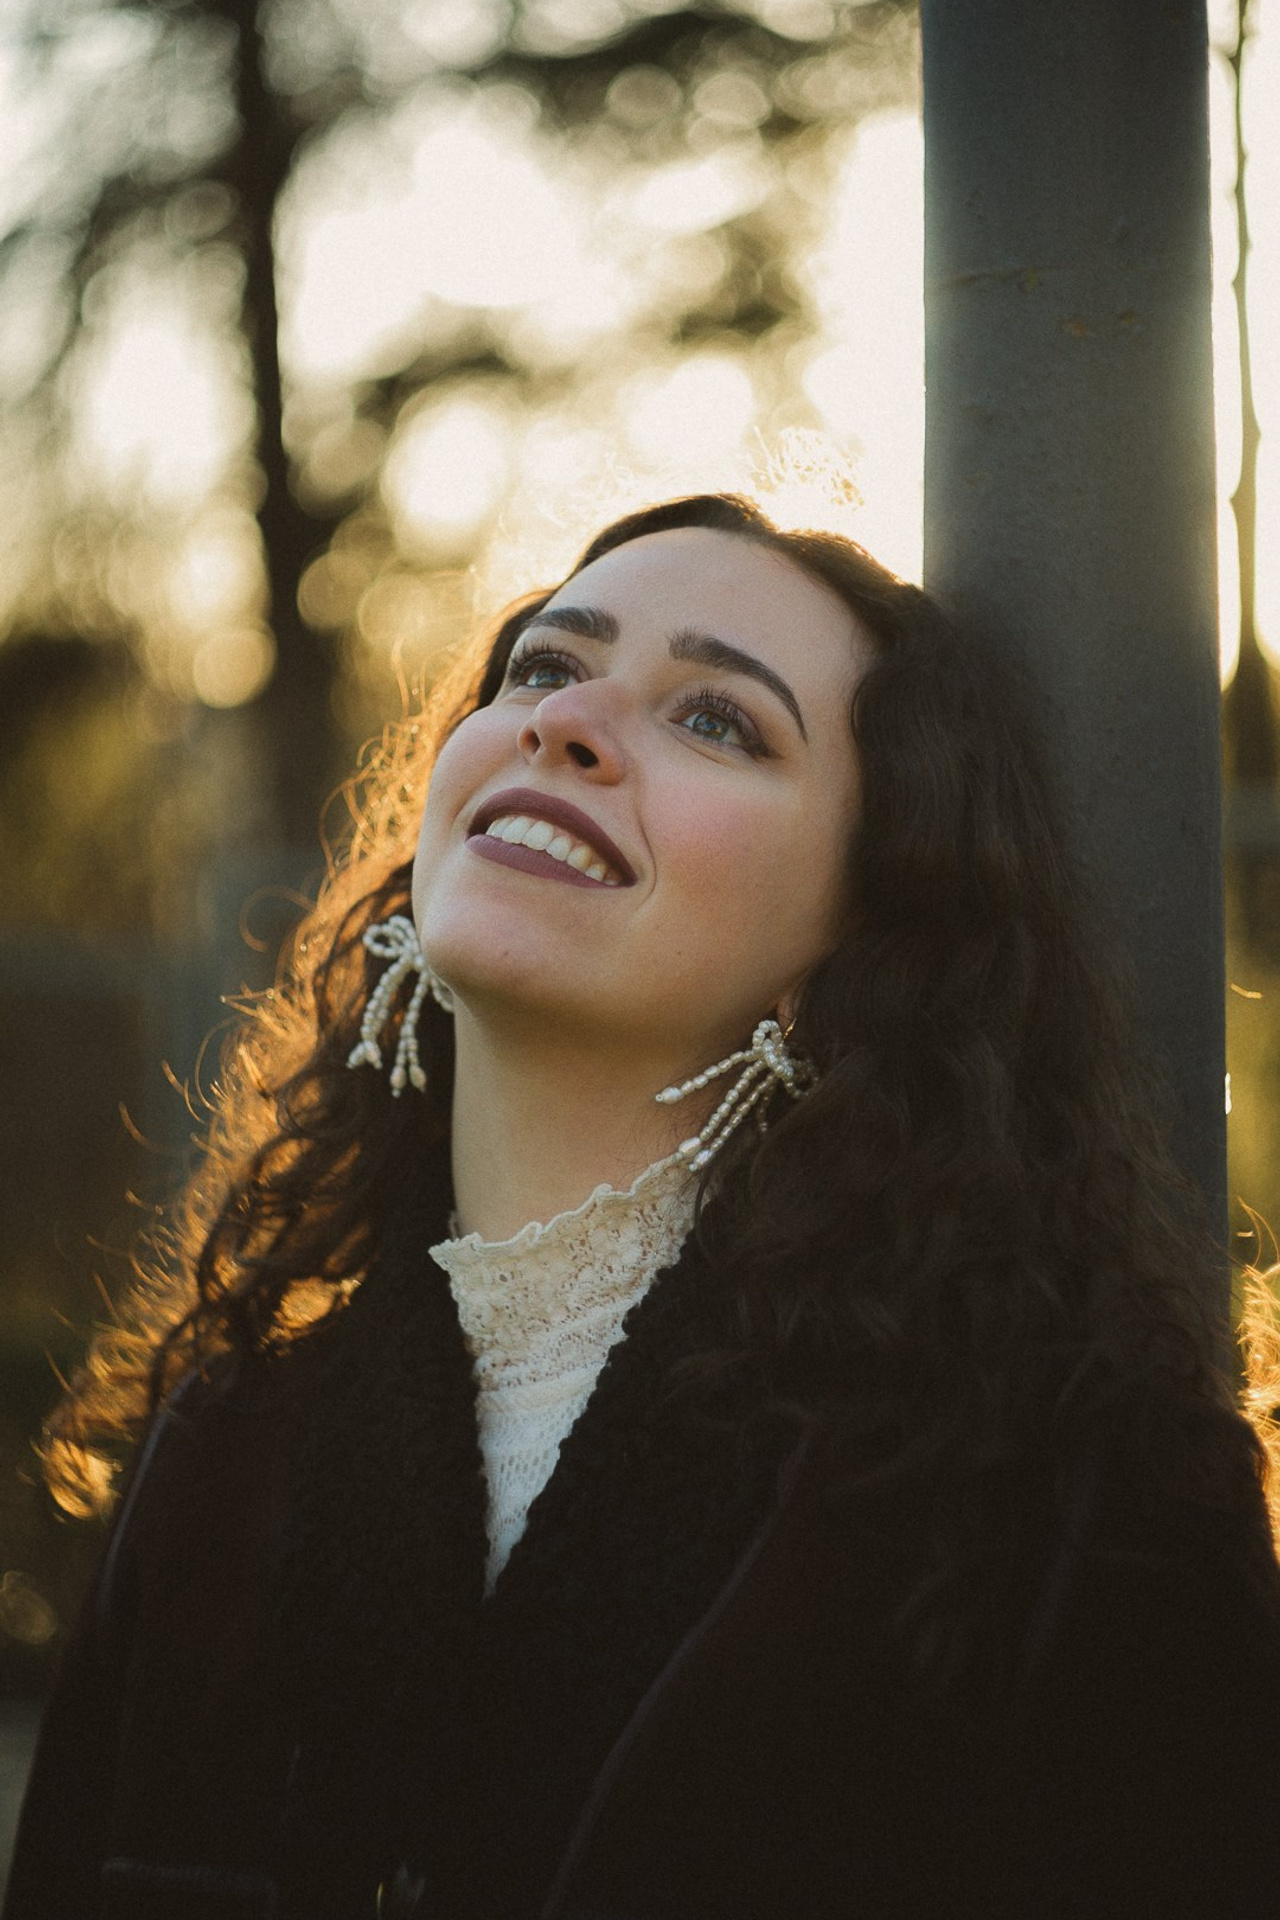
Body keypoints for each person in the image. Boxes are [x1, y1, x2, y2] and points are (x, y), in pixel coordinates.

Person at [6, 491, 1280, 1920]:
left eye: (717, 720)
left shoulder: (1074, 1513)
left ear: (867, 933)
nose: (564, 724)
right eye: (546, 667)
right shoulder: (219, 1458)